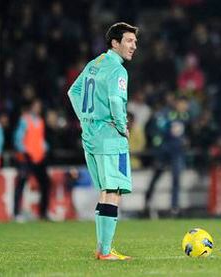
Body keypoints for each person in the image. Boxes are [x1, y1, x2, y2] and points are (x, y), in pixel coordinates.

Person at [68, 22, 138, 261]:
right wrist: (123, 127)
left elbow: (73, 92)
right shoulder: (118, 70)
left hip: (90, 136)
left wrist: (86, 119)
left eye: (135, 42)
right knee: (114, 190)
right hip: (110, 137)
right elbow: (116, 102)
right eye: (129, 41)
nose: (133, 46)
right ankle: (105, 251)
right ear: (115, 43)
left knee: (105, 191)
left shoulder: (94, 64)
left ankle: (102, 248)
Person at [144, 95, 190, 217]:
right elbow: (158, 132)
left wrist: (184, 141)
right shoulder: (166, 114)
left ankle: (174, 207)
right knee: (156, 176)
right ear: (177, 103)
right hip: (165, 152)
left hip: (177, 153)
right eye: (182, 104)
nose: (184, 107)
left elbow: (182, 134)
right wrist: (159, 148)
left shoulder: (184, 117)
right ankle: (147, 201)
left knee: (176, 179)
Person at [13, 99, 51, 221]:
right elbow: (18, 138)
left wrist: (45, 147)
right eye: (36, 106)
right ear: (31, 107)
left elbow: (40, 138)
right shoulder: (25, 120)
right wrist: (24, 151)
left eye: (39, 107)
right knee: (21, 183)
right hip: (27, 157)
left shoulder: (40, 121)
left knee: (45, 183)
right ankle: (16, 213)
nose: (38, 109)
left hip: (39, 157)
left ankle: (43, 213)